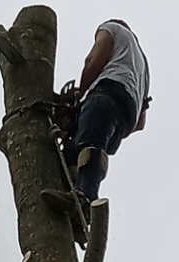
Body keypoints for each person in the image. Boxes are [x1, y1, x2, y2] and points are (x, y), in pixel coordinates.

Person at [45, 20, 150, 218]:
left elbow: (92, 62)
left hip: (107, 92)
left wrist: (80, 97)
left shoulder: (113, 28)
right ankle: (74, 195)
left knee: (90, 144)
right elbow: (140, 124)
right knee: (78, 148)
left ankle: (85, 198)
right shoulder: (143, 67)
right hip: (125, 116)